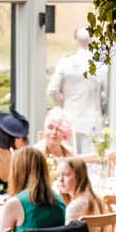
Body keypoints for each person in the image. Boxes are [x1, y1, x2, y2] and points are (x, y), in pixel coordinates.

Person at [46, 27, 106, 156]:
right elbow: (106, 95)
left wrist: (63, 105)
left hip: (69, 118)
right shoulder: (100, 65)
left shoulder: (65, 63)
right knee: (91, 162)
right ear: (92, 40)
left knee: (70, 158)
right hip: (93, 119)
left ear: (76, 40)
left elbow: (52, 90)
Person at [57, 155, 108, 232]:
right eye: (58, 175)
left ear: (79, 176)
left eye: (66, 175)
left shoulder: (75, 207)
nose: (60, 179)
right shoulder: (95, 198)